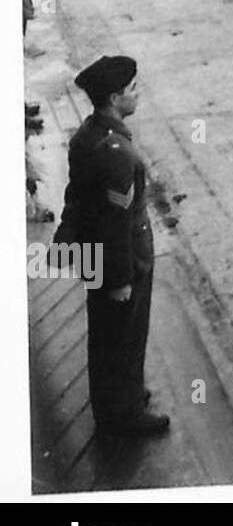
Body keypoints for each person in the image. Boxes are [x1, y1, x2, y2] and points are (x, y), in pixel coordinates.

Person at [59, 56, 169, 437]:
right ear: (114, 97)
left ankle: (119, 398)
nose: (138, 95)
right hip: (122, 260)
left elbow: (76, 196)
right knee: (126, 337)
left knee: (105, 335)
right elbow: (115, 222)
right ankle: (124, 414)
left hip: (95, 257)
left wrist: (66, 241)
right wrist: (120, 278)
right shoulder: (118, 154)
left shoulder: (87, 135)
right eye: (132, 89)